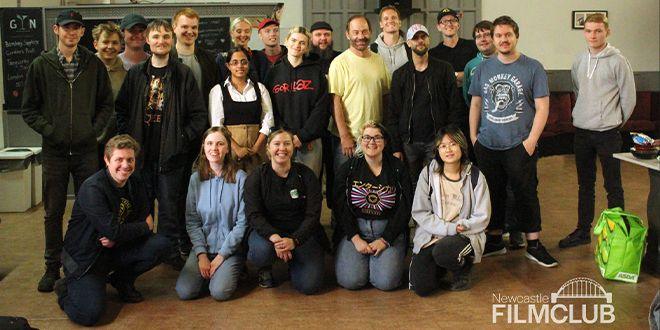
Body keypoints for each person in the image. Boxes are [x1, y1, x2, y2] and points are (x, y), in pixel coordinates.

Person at [22, 9, 113, 292]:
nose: (71, 33)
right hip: (55, 152)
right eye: (66, 28)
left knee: (90, 208)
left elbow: (106, 105)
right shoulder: (41, 65)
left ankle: (88, 262)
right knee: (53, 211)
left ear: (82, 32)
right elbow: (29, 109)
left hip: (87, 151)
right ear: (56, 30)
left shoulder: (93, 65)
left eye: (76, 28)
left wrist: (93, 132)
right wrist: (52, 132)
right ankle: (52, 267)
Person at [115, 19, 208, 270]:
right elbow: (121, 110)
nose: (161, 41)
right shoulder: (136, 74)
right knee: (141, 209)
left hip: (172, 155)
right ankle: (142, 257)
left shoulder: (182, 74)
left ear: (171, 39)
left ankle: (168, 253)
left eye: (166, 36)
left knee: (170, 209)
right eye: (156, 37)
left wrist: (181, 139)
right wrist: (129, 140)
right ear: (147, 40)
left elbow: (199, 116)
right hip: (141, 156)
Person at [468, 16, 558, 267]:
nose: (503, 40)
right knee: (492, 194)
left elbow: (542, 107)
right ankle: (495, 241)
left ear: (516, 36)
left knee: (526, 193)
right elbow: (475, 103)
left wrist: (531, 141)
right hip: (488, 144)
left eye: (508, 35)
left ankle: (534, 244)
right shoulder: (483, 69)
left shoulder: (533, 67)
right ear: (493, 39)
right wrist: (474, 137)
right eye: (498, 36)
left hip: (519, 144)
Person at [54, 135, 170, 326]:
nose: (125, 165)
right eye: (119, 159)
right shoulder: (93, 188)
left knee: (161, 245)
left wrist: (120, 235)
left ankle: (121, 280)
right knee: (90, 315)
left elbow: (124, 230)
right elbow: (141, 224)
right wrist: (142, 226)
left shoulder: (135, 183)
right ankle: (65, 289)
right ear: (107, 160)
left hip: (113, 249)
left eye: (130, 160)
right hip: (87, 259)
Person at [559, 13, 636, 248]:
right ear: (584, 33)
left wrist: (613, 121)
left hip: (608, 133)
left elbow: (628, 98)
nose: (593, 35)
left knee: (613, 184)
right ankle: (583, 231)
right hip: (582, 132)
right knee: (585, 184)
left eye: (598, 31)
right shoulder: (579, 59)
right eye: (589, 31)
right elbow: (577, 90)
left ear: (607, 32)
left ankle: (617, 233)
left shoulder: (618, 60)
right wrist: (586, 114)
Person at [463, 21, 524, 250]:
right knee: (493, 189)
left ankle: (517, 230)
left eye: (489, 35)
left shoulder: (522, 64)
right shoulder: (474, 66)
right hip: (487, 138)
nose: (484, 39)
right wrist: (474, 136)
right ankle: (495, 234)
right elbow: (472, 101)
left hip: (515, 139)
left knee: (516, 188)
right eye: (479, 36)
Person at [245, 129, 329, 294]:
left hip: (301, 234)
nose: (281, 148)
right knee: (260, 252)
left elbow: (313, 215)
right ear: (268, 149)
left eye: (287, 144)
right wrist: (276, 239)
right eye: (276, 144)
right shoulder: (257, 176)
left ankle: (294, 261)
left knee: (309, 286)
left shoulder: (306, 175)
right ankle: (266, 267)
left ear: (293, 148)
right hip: (269, 235)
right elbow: (253, 214)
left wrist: (294, 240)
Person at [409, 125, 490, 295]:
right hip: (433, 234)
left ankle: (463, 269)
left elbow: (482, 216)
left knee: (444, 251)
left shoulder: (475, 176)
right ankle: (441, 268)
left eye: (453, 144)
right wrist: (446, 229)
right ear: (437, 150)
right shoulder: (428, 174)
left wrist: (460, 226)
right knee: (422, 287)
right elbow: (420, 212)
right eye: (443, 146)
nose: (448, 149)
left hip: (463, 233)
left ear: (461, 146)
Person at [334, 121, 411, 291]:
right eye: (367, 137)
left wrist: (385, 240)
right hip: (357, 230)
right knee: (351, 281)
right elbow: (340, 206)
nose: (372, 142)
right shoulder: (349, 168)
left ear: (385, 142)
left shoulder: (397, 168)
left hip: (387, 231)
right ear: (361, 141)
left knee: (386, 283)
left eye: (377, 137)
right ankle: (363, 261)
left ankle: (379, 262)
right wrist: (355, 238)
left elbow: (405, 207)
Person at [171, 7, 222, 258]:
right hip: (175, 137)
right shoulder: (165, 57)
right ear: (174, 28)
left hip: (204, 137)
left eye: (194, 28)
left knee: (205, 189)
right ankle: (181, 240)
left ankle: (207, 237)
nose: (189, 32)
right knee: (179, 191)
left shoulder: (208, 59)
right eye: (184, 27)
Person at [175, 127, 248, 301]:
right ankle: (210, 273)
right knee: (185, 291)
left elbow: (242, 223)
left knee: (219, 292)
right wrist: (201, 255)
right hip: (204, 248)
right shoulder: (195, 179)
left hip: (229, 249)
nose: (214, 148)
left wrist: (221, 256)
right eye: (209, 143)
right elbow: (192, 221)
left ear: (227, 148)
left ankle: (233, 269)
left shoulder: (240, 178)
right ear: (203, 147)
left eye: (220, 143)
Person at [386, 24, 464, 186]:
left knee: (437, 184)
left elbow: (455, 105)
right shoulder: (400, 75)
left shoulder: (444, 69)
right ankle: (415, 213)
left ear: (429, 39)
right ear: (408, 43)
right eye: (415, 38)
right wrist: (395, 147)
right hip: (409, 143)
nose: (420, 41)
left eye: (423, 37)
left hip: (437, 140)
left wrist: (448, 137)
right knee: (412, 186)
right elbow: (393, 112)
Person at [265, 26, 331, 178]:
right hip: (281, 141)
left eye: (302, 43)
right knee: (282, 185)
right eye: (294, 40)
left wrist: (303, 136)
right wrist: (286, 136)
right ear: (286, 42)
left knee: (310, 185)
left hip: (310, 141)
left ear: (307, 47)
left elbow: (322, 108)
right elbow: (270, 108)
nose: (297, 45)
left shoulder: (316, 72)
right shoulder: (273, 73)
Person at [329, 15, 390, 173]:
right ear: (347, 34)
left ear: (370, 32)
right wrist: (344, 136)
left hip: (375, 138)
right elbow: (335, 101)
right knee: (345, 187)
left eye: (364, 31)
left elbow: (386, 96)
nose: (360, 36)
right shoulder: (339, 63)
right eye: (355, 32)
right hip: (351, 139)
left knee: (371, 187)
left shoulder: (379, 61)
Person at [209, 47, 274, 173]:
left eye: (244, 62)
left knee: (257, 185)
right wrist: (237, 148)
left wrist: (256, 147)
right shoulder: (218, 90)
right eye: (235, 62)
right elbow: (217, 124)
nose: (240, 66)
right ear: (228, 65)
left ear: (249, 64)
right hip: (229, 150)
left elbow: (268, 119)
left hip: (257, 149)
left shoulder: (260, 88)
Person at [92, 22, 127, 169]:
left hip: (117, 142)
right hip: (91, 143)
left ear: (121, 45)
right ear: (95, 44)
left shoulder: (126, 75)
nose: (110, 47)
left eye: (115, 42)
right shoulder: (85, 71)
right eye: (105, 42)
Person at [429, 8, 478, 89]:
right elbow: (437, 81)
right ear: (438, 27)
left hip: (470, 98)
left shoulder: (473, 46)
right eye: (444, 21)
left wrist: (453, 77)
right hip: (446, 100)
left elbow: (478, 73)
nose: (449, 24)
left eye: (453, 20)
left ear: (458, 25)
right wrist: (463, 76)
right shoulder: (433, 54)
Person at [217, 17, 268, 83]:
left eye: (247, 31)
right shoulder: (223, 58)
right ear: (231, 33)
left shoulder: (260, 56)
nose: (243, 34)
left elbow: (266, 83)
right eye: (239, 31)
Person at [463, 20, 496, 106]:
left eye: (487, 35)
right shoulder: (470, 66)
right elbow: (467, 97)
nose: (483, 39)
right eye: (478, 36)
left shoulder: (506, 60)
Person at [370, 5, 409, 76]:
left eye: (393, 17)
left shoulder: (409, 49)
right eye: (386, 18)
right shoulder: (371, 50)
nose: (390, 21)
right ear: (381, 24)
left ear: (400, 22)